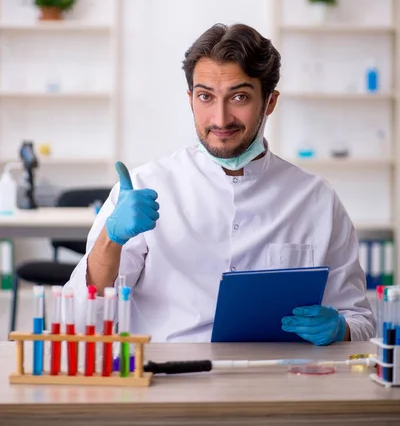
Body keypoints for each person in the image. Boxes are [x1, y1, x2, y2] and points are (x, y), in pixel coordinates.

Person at [67, 23, 375, 344]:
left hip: (278, 377)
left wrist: (341, 329)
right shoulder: (146, 185)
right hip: (169, 378)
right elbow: (80, 315)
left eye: (239, 96)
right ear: (190, 99)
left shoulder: (316, 199)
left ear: (269, 102)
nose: (220, 118)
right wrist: (110, 239)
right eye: (206, 97)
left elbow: (361, 319)